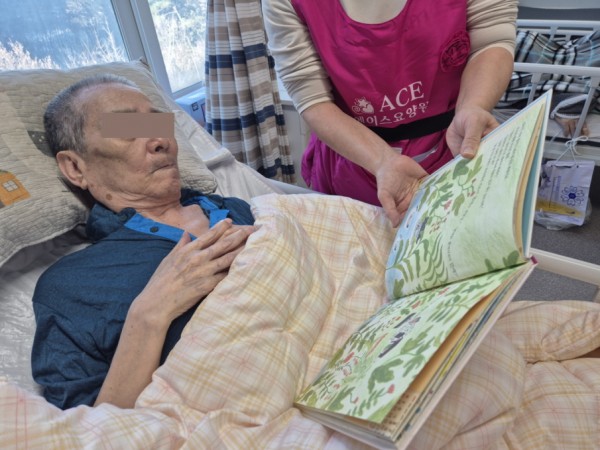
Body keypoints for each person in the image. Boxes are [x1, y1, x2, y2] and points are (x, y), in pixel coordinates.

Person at [31, 74, 257, 410]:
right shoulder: (70, 286)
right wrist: (150, 312)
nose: (160, 140)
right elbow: (91, 431)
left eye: (158, 123)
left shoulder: (239, 209)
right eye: (127, 129)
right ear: (76, 168)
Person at [262, 0, 519, 226]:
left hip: (452, 144)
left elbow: (491, 40)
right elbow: (313, 98)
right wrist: (382, 161)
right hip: (353, 150)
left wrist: (473, 106)